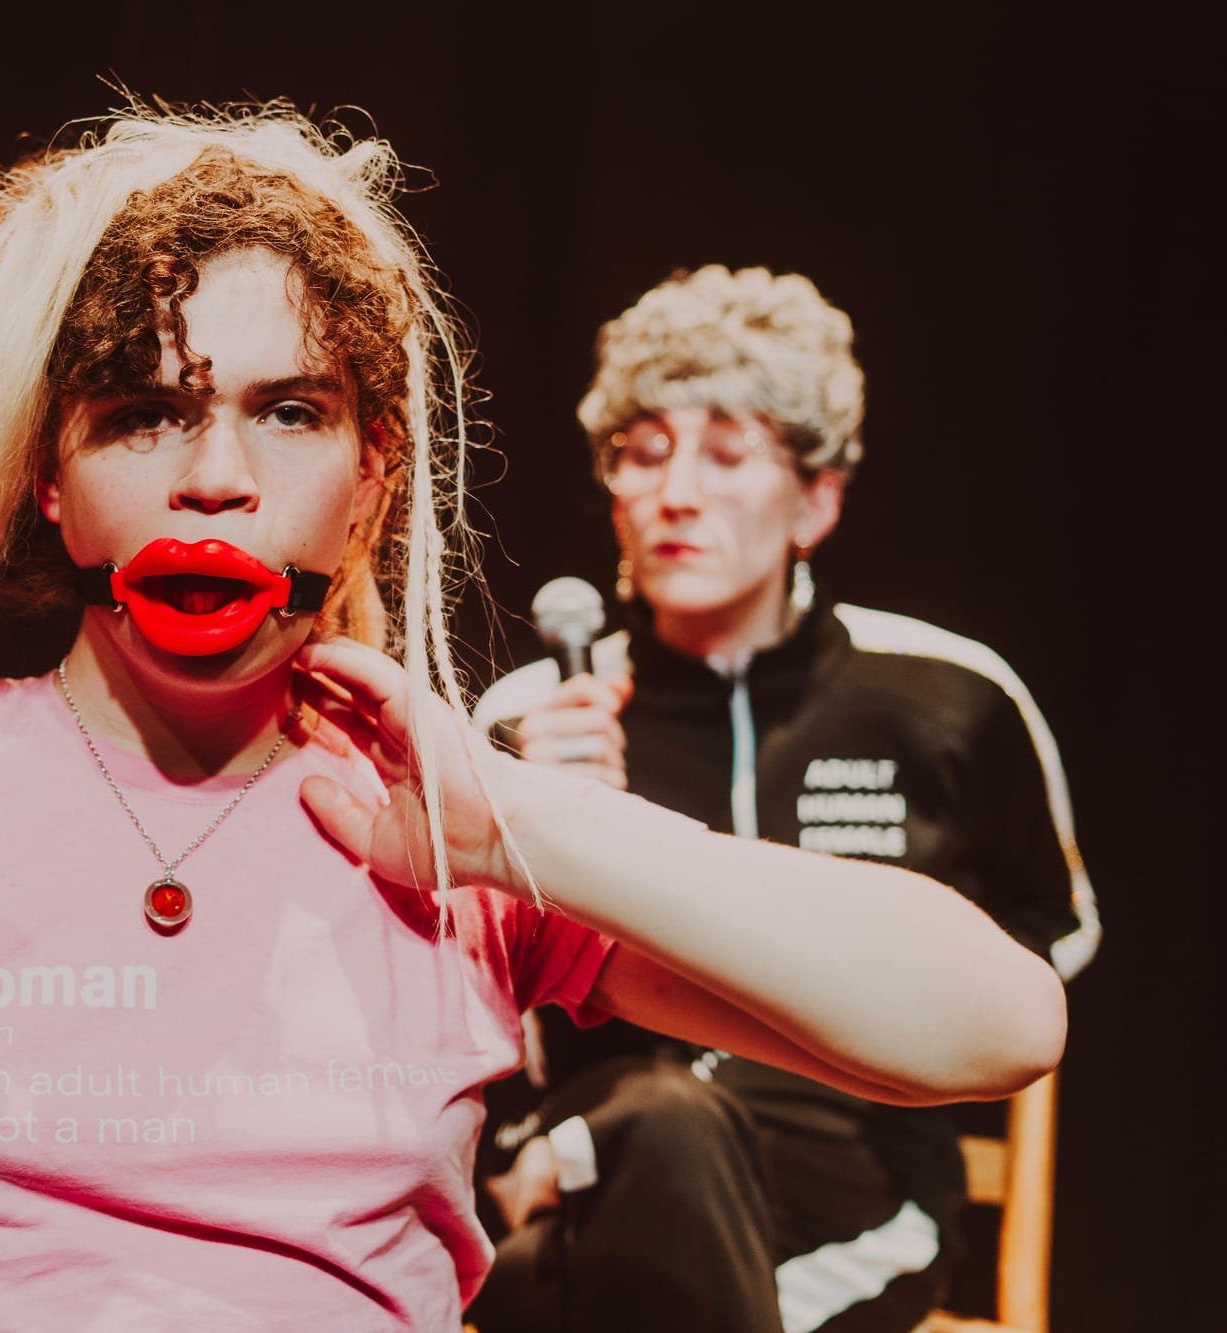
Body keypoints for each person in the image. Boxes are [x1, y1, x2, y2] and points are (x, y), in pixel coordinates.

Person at [0, 116, 1064, 1333]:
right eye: (145, 412)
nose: (216, 473)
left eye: (290, 411)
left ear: (369, 480)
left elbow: (990, 1026)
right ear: (55, 489)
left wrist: (521, 824)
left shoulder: (441, 829)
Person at [465, 265, 1099, 1333]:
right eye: (641, 452)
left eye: (725, 453)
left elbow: (1046, 943)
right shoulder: (531, 719)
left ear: (814, 497)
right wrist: (562, 838)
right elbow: (468, 1009)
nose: (675, 492)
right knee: (656, 1130)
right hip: (597, 1155)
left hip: (846, 1191)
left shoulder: (948, 694)